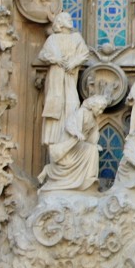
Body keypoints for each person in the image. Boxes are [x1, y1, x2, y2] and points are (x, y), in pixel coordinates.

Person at [37, 12, 90, 160]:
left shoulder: (76, 38)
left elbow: (84, 53)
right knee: (56, 107)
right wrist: (55, 59)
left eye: (71, 18)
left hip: (70, 76)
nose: (70, 20)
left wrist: (74, 62)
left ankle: (70, 136)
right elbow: (42, 55)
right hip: (55, 78)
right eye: (67, 19)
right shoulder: (52, 39)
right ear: (59, 22)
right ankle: (56, 144)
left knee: (72, 104)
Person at [38, 95, 108, 190]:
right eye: (99, 109)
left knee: (93, 150)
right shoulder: (82, 112)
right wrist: (76, 132)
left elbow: (93, 134)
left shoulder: (94, 119)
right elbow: (70, 124)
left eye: (102, 110)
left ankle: (89, 179)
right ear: (93, 106)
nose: (101, 112)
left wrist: (94, 144)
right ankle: (49, 170)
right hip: (71, 144)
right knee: (84, 154)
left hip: (80, 143)